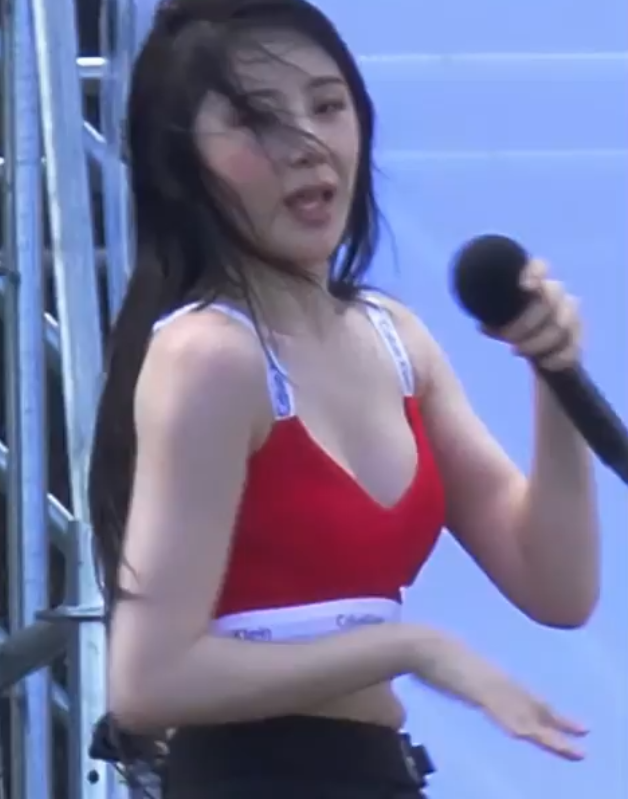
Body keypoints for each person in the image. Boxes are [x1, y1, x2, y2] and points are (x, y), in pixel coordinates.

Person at [88, 0, 600, 795]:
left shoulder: (395, 339)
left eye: (328, 106)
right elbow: (150, 680)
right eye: (257, 120)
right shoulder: (208, 356)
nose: (308, 143)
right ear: (181, 161)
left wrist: (552, 373)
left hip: (377, 770)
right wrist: (409, 647)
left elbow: (556, 585)